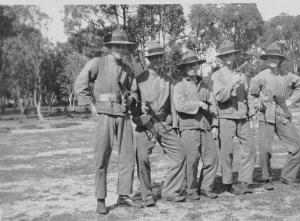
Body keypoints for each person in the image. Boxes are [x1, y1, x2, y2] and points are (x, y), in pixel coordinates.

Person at [74, 28, 139, 214]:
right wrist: (89, 104)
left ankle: (124, 195)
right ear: (110, 47)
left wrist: (131, 98)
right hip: (104, 114)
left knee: (127, 155)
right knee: (102, 157)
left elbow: (134, 90)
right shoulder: (97, 62)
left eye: (123, 46)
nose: (120, 49)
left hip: (123, 114)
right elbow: (81, 82)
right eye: (116, 45)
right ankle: (100, 199)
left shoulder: (127, 69)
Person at [134, 40, 187, 206]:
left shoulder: (168, 80)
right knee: (142, 158)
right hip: (146, 125)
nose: (157, 60)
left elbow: (173, 105)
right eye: (154, 57)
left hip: (165, 124)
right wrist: (140, 107)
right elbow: (133, 103)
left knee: (179, 155)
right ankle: (147, 195)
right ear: (149, 59)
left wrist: (174, 124)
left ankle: (170, 191)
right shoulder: (139, 79)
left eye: (160, 57)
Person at [249, 43, 300, 189]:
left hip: (282, 115)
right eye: (270, 57)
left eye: (276, 57)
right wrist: (257, 104)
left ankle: (288, 176)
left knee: (297, 147)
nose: (273, 60)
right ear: (266, 59)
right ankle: (266, 178)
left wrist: (290, 100)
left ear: (280, 59)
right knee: (265, 150)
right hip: (265, 116)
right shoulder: (259, 77)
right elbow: (251, 96)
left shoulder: (287, 76)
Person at [211, 40, 256, 195]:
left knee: (250, 149)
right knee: (226, 152)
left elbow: (247, 96)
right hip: (225, 118)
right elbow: (220, 98)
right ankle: (227, 183)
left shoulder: (242, 75)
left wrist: (252, 117)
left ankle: (244, 182)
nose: (228, 57)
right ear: (221, 58)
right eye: (225, 55)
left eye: (231, 54)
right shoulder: (216, 75)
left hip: (242, 118)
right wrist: (232, 83)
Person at [173, 49, 219, 200]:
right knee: (191, 160)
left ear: (198, 66)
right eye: (189, 65)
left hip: (206, 127)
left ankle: (206, 187)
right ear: (184, 69)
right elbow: (179, 105)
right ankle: (191, 189)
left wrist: (215, 125)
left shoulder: (205, 85)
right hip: (189, 127)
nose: (192, 67)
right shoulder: (179, 86)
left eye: (194, 64)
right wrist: (198, 104)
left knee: (212, 158)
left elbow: (213, 106)